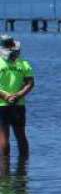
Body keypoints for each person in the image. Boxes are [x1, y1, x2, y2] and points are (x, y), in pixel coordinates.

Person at [0, 35, 34, 165]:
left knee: (3, 137)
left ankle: (4, 168)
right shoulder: (23, 63)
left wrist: (6, 96)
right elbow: (30, 84)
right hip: (18, 104)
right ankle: (24, 168)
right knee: (21, 136)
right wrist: (18, 95)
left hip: (2, 104)